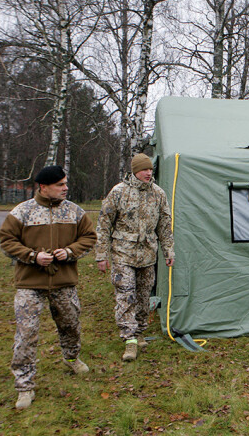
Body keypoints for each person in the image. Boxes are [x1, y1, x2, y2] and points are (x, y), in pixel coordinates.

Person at [0, 165, 97, 410]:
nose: (66, 188)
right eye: (60, 185)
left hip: (64, 282)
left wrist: (70, 251)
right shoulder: (22, 212)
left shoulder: (74, 211)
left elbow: (89, 237)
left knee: (70, 324)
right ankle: (24, 386)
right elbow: (6, 241)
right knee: (26, 334)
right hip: (29, 285)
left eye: (65, 184)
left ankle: (71, 358)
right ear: (44, 187)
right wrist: (32, 256)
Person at [95, 153, 175, 362]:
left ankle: (139, 332)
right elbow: (104, 224)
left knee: (142, 296)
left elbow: (165, 226)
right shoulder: (119, 192)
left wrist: (168, 251)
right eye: (144, 170)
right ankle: (129, 339)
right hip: (123, 253)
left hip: (148, 254)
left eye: (150, 170)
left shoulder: (158, 194)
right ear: (134, 171)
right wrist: (101, 254)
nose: (149, 173)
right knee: (126, 295)